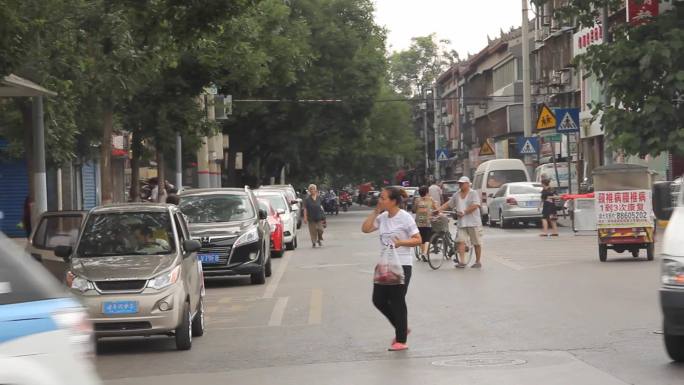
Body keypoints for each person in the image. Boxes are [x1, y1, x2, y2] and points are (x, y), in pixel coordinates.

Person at [362, 187, 421, 351]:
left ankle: (401, 340)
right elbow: (365, 229)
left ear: (393, 201)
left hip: (402, 264)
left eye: (383, 198)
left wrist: (401, 243)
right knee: (378, 300)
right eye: (380, 198)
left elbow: (418, 239)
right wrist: (375, 211)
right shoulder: (382, 217)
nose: (380, 200)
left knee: (397, 301)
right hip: (384, 264)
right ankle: (401, 326)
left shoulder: (405, 218)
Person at [439, 176, 483, 268]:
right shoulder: (456, 194)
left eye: (462, 183)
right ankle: (462, 262)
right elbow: (449, 204)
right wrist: (439, 210)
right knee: (461, 241)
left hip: (473, 222)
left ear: (467, 184)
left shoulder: (473, 193)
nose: (460, 185)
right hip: (462, 223)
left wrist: (465, 211)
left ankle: (478, 261)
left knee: (476, 242)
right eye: (459, 183)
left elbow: (476, 205)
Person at [414, 185, 437, 260]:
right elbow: (436, 209)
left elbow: (414, 209)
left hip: (418, 222)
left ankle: (423, 252)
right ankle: (424, 253)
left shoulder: (417, 200)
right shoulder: (430, 200)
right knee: (427, 239)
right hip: (427, 222)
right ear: (427, 192)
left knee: (421, 239)